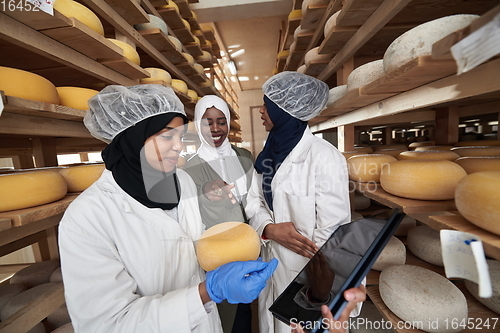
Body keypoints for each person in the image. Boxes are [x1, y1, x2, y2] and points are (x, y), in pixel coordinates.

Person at [58, 84, 278, 333]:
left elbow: (190, 248)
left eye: (180, 136)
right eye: (166, 136)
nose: (178, 146)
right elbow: (107, 324)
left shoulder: (181, 181)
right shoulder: (88, 217)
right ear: (133, 136)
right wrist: (207, 292)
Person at [244, 71, 364, 333]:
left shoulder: (324, 158)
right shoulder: (267, 153)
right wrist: (268, 228)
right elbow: (253, 200)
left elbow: (333, 232)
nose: (262, 111)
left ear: (285, 110)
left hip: (305, 276)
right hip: (273, 266)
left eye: (268, 105)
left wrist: (316, 293)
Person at [183, 95, 255, 333]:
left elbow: (255, 200)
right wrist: (206, 193)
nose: (215, 128)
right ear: (197, 124)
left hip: (248, 248)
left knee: (246, 311)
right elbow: (190, 216)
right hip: (217, 255)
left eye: (221, 121)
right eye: (207, 122)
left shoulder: (244, 156)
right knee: (224, 315)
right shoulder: (190, 167)